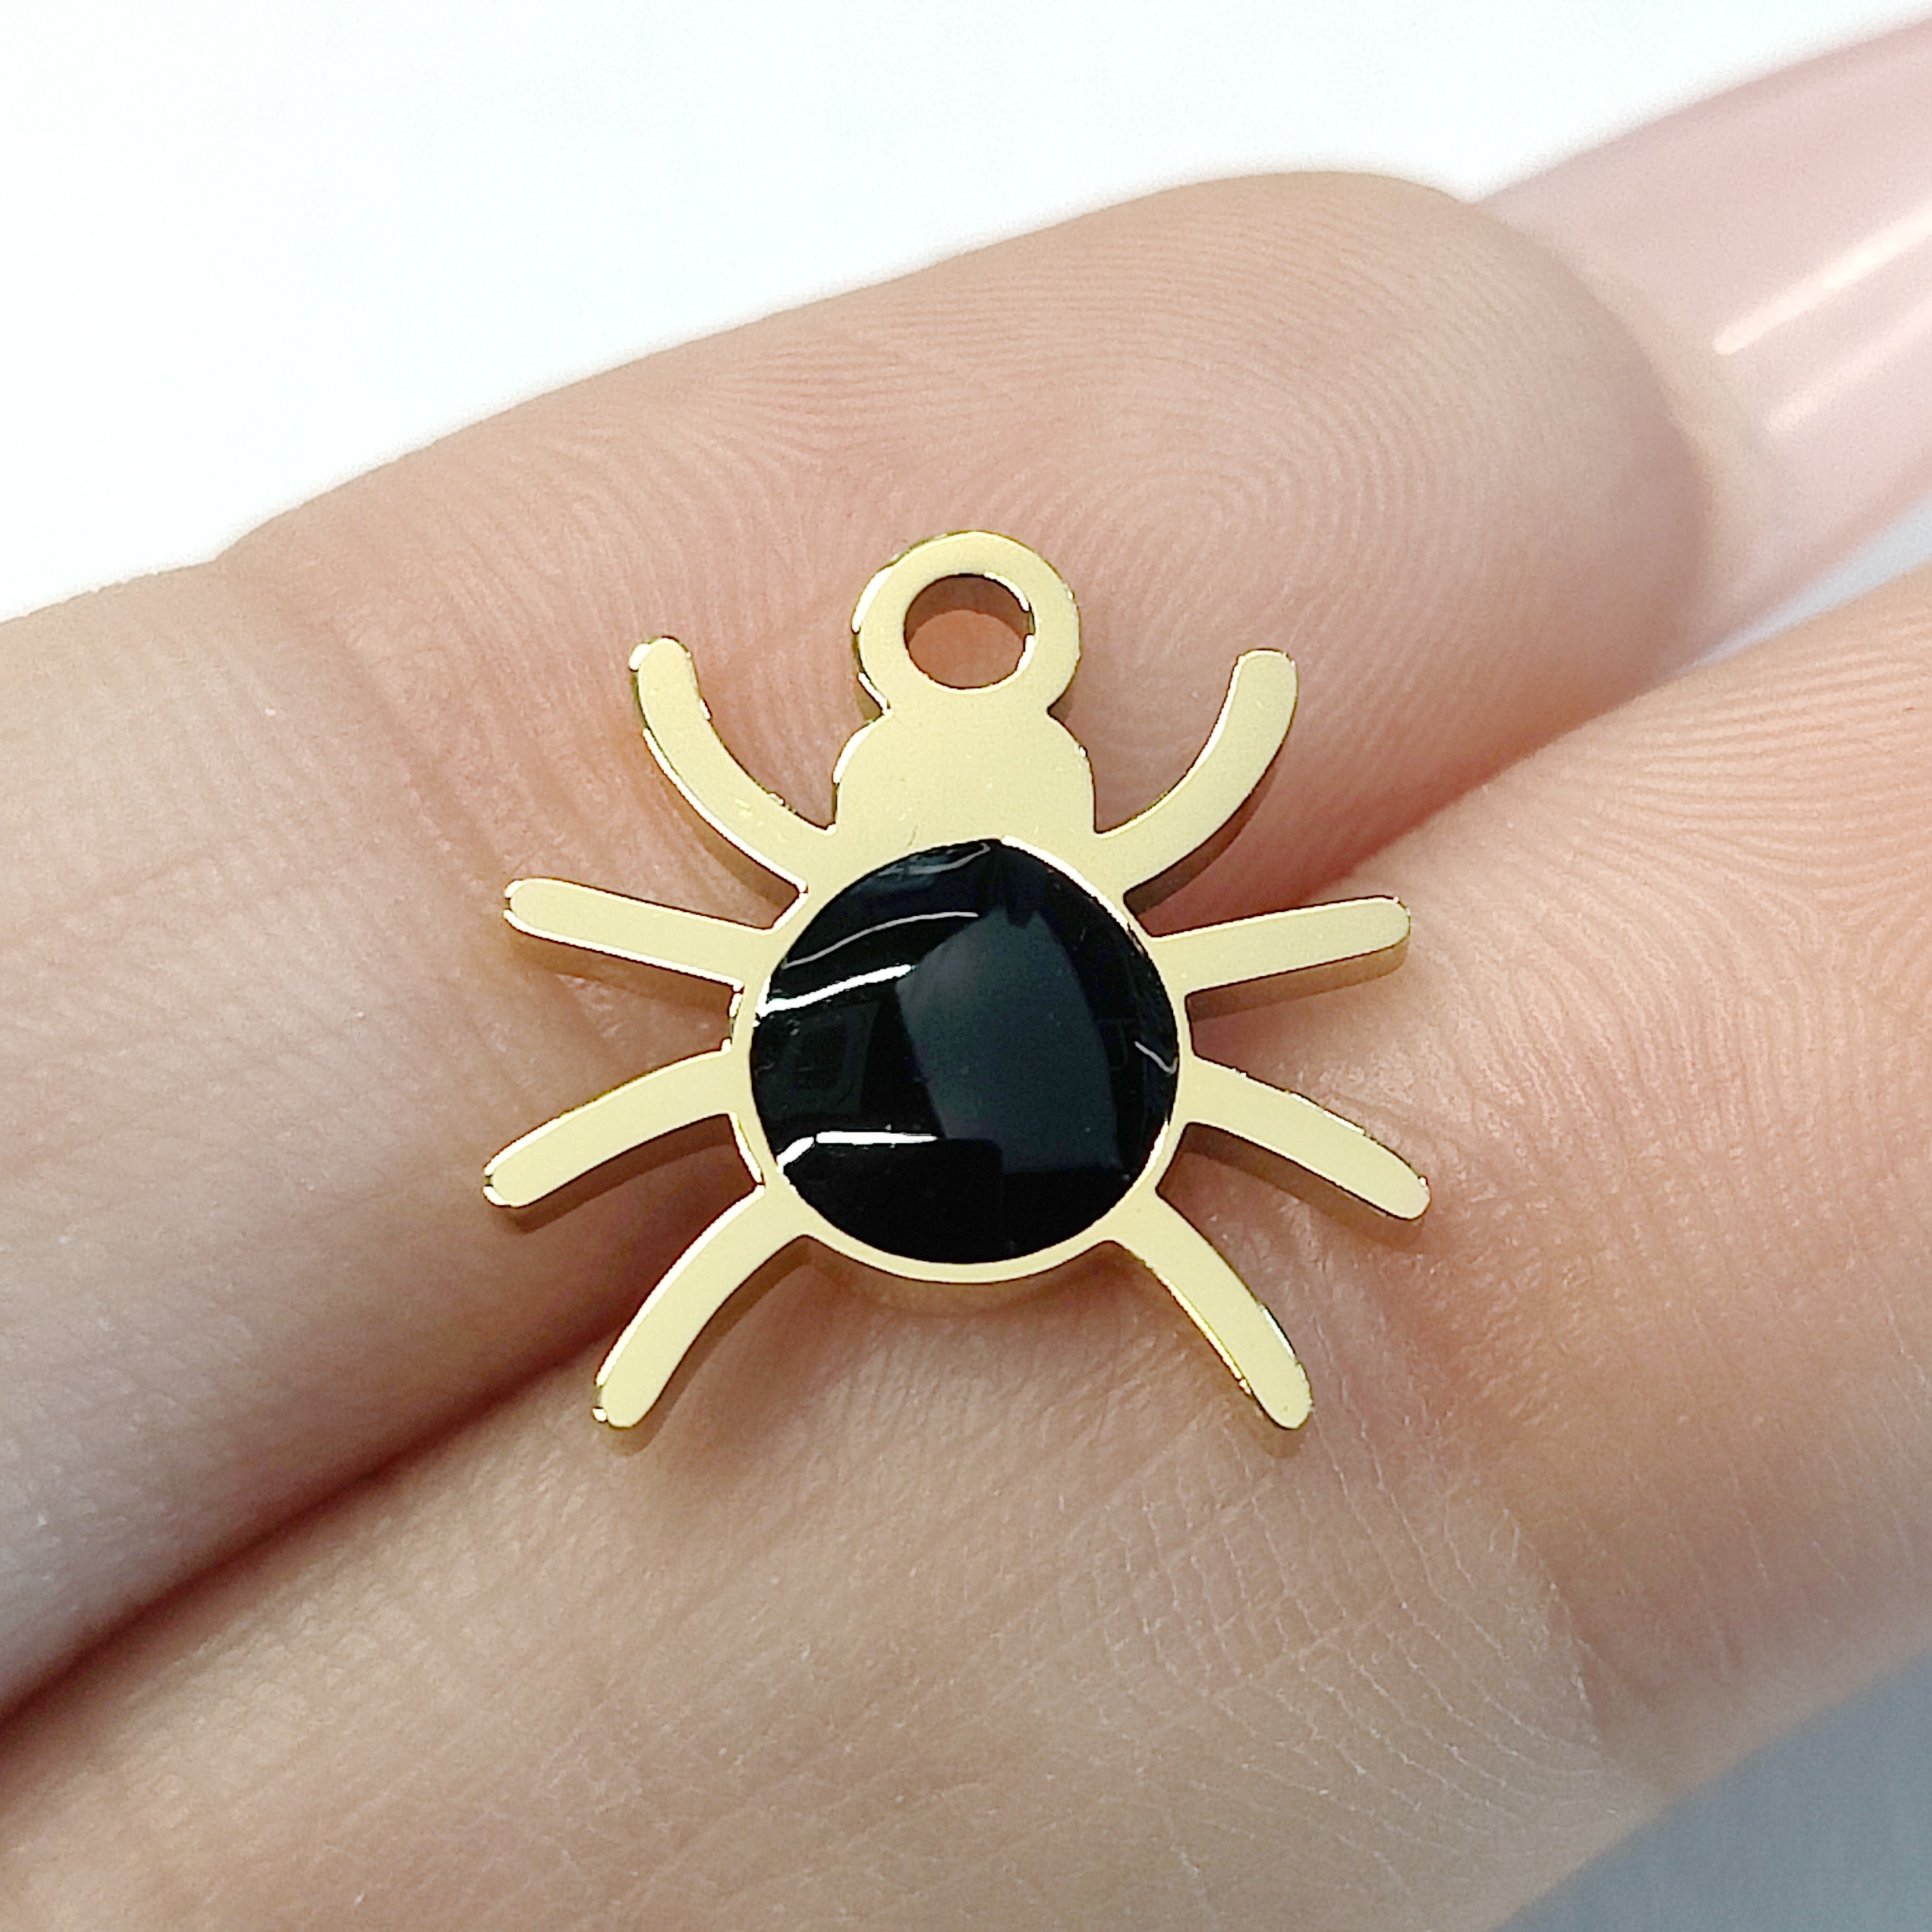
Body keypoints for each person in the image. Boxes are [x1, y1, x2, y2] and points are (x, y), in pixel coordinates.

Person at [2, 19, 1930, 1930]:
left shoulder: (873, 902)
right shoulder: (1068, 917)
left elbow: (743, 809)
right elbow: (1194, 850)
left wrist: (689, 723)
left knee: (717, 1211)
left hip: (904, 1124)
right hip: (1056, 1121)